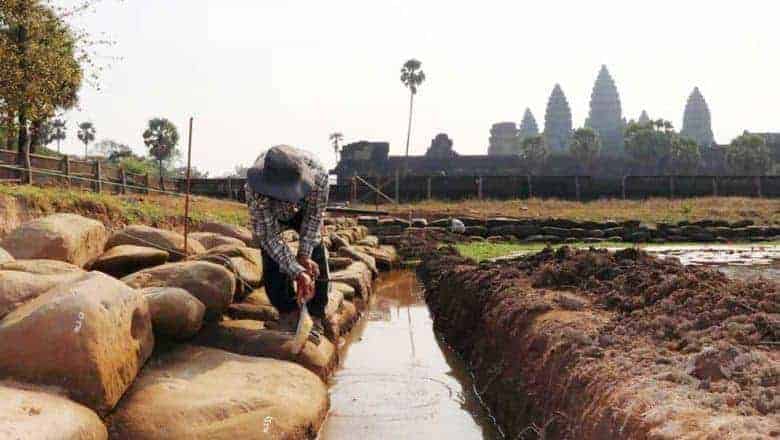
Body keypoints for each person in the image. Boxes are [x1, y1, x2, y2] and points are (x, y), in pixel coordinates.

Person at [245, 145, 330, 332]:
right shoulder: (256, 187)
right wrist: (297, 272)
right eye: (283, 195)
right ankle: (288, 312)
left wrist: (304, 257)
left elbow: (314, 218)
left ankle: (316, 314)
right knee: (271, 256)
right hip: (272, 216)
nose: (289, 200)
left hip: (305, 212)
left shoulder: (320, 178)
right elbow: (269, 237)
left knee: (315, 252)